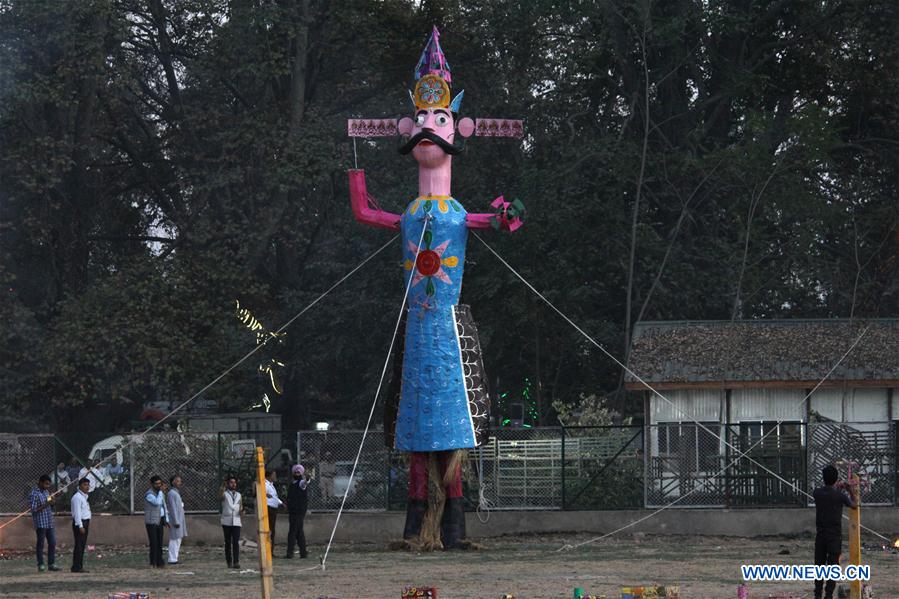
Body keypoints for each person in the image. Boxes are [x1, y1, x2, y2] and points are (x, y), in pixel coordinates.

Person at [812, 464, 857, 599]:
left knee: (819, 565)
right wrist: (850, 490)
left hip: (820, 536)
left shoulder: (817, 493)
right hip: (834, 537)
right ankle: (829, 594)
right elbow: (854, 505)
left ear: (823, 478)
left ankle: (818, 594)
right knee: (833, 566)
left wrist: (836, 486)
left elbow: (827, 491)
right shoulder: (840, 496)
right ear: (836, 479)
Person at [29, 474, 59, 572]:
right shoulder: (34, 493)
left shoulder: (46, 492)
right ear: (40, 482)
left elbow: (50, 503)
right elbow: (34, 510)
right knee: (40, 544)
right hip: (41, 523)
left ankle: (51, 564)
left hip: (49, 522)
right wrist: (46, 504)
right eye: (46, 484)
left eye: (49, 484)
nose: (47, 486)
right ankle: (41, 564)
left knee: (52, 543)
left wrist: (53, 501)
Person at [285, 464, 309, 559]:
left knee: (292, 532)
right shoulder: (292, 484)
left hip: (299, 511)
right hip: (293, 511)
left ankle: (289, 553)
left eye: (298, 472)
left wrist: (307, 478)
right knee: (299, 532)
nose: (296, 473)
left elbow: (305, 482)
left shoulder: (300, 483)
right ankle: (303, 553)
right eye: (295, 472)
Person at [144, 475, 168, 568]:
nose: (158, 485)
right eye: (156, 484)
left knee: (160, 542)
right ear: (152, 484)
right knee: (154, 543)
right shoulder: (149, 494)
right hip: (151, 521)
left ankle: (159, 562)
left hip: (160, 520)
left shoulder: (160, 493)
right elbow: (157, 503)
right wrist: (161, 492)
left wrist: (166, 519)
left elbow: (163, 506)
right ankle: (153, 562)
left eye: (160, 484)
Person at [220, 475, 242, 568]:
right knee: (228, 542)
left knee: (236, 542)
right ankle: (229, 561)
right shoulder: (224, 494)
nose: (233, 484)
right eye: (231, 482)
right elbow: (220, 496)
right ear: (228, 484)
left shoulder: (239, 495)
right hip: (227, 520)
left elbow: (241, 505)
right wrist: (223, 485)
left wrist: (242, 510)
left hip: (236, 520)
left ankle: (236, 561)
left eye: (234, 482)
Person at [70, 477, 91, 573]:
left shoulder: (84, 497)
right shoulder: (77, 497)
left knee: (82, 545)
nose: (87, 487)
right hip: (80, 523)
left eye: (88, 485)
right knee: (79, 545)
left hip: (85, 522)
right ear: (80, 486)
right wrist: (80, 526)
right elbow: (77, 513)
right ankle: (76, 566)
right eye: (85, 485)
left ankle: (79, 565)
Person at [166, 475, 187, 564]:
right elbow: (172, 508)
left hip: (179, 519)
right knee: (174, 539)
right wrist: (176, 521)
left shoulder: (176, 493)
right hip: (176, 520)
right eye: (177, 481)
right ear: (172, 482)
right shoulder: (171, 493)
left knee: (178, 539)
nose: (179, 483)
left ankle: (175, 558)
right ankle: (172, 559)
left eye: (180, 481)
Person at [264, 470, 282, 548]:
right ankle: (269, 548)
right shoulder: (265, 484)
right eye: (273, 475)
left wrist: (281, 503)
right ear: (269, 476)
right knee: (270, 529)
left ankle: (271, 549)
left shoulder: (271, 485)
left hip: (273, 509)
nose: (275, 477)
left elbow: (274, 497)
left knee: (272, 529)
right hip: (269, 508)